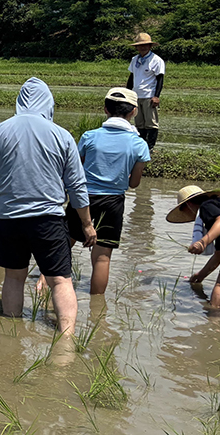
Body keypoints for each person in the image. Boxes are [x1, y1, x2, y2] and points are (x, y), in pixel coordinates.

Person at [0, 78, 93, 337]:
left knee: (13, 277)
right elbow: (77, 186)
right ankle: (66, 339)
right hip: (48, 219)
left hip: (9, 218)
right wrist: (87, 223)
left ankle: (12, 334)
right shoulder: (62, 135)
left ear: (20, 101)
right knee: (60, 280)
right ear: (49, 103)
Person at [67, 87, 151, 295]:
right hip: (113, 202)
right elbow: (134, 184)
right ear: (133, 112)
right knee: (103, 257)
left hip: (83, 198)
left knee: (63, 245)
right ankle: (98, 308)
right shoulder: (139, 144)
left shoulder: (90, 136)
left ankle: (46, 288)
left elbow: (76, 169)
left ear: (105, 109)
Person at [126, 32, 165, 150]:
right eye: (140, 45)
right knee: (139, 123)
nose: (143, 47)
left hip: (149, 95)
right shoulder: (135, 60)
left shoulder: (156, 60)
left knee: (151, 123)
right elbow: (132, 77)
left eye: (146, 45)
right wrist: (127, 94)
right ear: (136, 47)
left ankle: (150, 147)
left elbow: (160, 79)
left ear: (150, 46)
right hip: (136, 95)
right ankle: (141, 146)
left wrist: (156, 96)